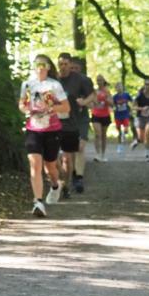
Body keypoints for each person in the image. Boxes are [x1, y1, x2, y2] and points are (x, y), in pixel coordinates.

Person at [19, 55, 70, 217]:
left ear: (48, 67)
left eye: (43, 64)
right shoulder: (27, 84)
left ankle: (55, 185)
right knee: (35, 164)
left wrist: (52, 109)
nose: (40, 67)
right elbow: (21, 104)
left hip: (52, 129)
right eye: (37, 64)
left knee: (50, 166)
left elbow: (66, 107)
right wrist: (26, 109)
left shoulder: (54, 85)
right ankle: (38, 202)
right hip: (33, 128)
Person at [56, 53, 94, 196]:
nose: (65, 68)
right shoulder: (55, 80)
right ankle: (69, 176)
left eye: (68, 65)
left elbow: (92, 95)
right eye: (62, 64)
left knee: (80, 146)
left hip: (80, 118)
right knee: (66, 154)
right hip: (63, 120)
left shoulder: (82, 80)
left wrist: (83, 102)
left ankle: (78, 178)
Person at [132, 81, 149, 161]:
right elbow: (133, 107)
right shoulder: (139, 96)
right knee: (141, 138)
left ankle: (147, 154)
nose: (147, 86)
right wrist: (142, 109)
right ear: (144, 85)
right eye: (146, 84)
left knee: (147, 134)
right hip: (140, 118)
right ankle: (136, 141)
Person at [90, 74, 112, 163]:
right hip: (96, 115)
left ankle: (103, 155)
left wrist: (106, 99)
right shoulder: (94, 92)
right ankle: (97, 154)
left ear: (103, 81)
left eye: (100, 80)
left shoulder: (107, 91)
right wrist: (94, 103)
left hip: (105, 115)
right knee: (97, 134)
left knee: (103, 135)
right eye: (97, 80)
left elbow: (112, 103)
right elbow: (91, 102)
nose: (99, 82)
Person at [112, 81, 133, 152]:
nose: (119, 88)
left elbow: (132, 101)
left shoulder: (126, 95)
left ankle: (124, 134)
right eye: (117, 87)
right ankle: (119, 146)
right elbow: (112, 105)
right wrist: (113, 107)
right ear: (116, 89)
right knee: (119, 132)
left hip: (125, 114)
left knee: (126, 129)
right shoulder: (115, 97)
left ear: (123, 87)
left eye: (120, 86)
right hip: (117, 115)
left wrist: (131, 110)